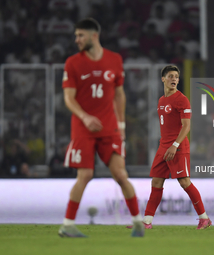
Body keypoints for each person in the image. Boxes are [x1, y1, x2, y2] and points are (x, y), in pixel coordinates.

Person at [58, 18, 144, 238]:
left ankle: (138, 223)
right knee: (84, 175)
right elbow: (68, 98)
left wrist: (122, 124)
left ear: (93, 36)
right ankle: (67, 225)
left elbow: (119, 94)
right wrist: (85, 117)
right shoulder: (72, 63)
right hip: (83, 128)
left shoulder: (115, 60)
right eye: (76, 36)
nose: (76, 40)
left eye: (80, 35)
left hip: (109, 128)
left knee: (120, 174)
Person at [129, 65, 212, 229]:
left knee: (184, 182)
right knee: (156, 182)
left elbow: (186, 126)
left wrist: (175, 145)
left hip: (178, 146)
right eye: (171, 76)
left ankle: (204, 218)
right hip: (163, 146)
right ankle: (146, 222)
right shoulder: (161, 101)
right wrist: (167, 145)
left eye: (176, 76)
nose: (174, 79)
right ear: (163, 79)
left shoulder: (182, 99)